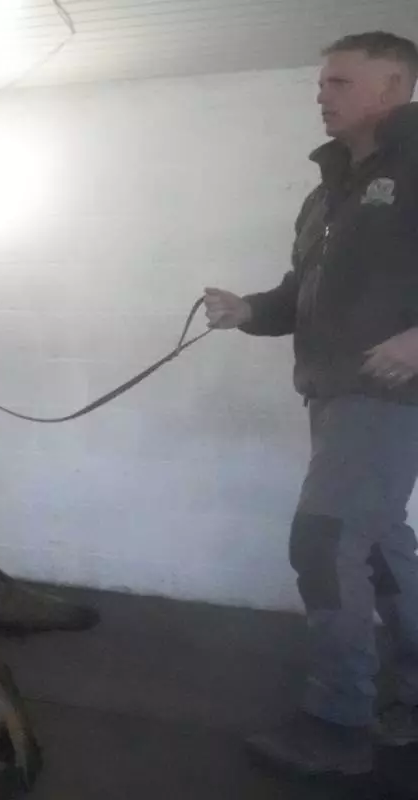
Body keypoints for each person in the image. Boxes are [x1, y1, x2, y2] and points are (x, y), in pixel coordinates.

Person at [204, 31, 418, 777]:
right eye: (322, 82)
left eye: (340, 82)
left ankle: (336, 725)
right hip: (331, 396)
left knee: (324, 544)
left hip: (387, 396)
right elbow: (303, 295)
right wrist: (248, 310)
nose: (321, 94)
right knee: (380, 550)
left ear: (393, 88)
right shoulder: (328, 193)